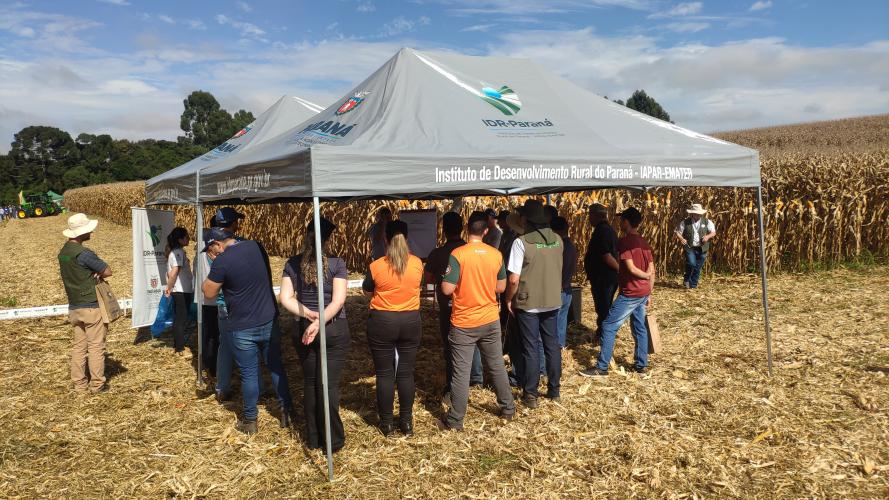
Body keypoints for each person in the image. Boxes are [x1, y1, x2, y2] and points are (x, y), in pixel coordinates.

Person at [202, 230, 293, 434]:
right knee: (275, 365)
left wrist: (214, 268)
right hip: (268, 318)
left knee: (248, 373)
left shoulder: (221, 262)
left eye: (210, 248)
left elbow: (208, 292)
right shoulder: (256, 246)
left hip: (242, 326)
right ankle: (286, 410)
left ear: (217, 243)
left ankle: (251, 420)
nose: (210, 253)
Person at [439, 211, 515, 430]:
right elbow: (501, 287)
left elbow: (446, 288)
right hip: (490, 319)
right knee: (497, 366)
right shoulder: (495, 254)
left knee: (461, 373)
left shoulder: (458, 254)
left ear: (467, 229)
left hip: (464, 322)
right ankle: (508, 408)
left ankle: (455, 419)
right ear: (486, 231)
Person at [279, 217, 350, 452]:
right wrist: (320, 321)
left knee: (310, 383)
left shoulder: (292, 263)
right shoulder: (337, 263)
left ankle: (313, 438)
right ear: (328, 239)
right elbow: (338, 300)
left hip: (303, 327)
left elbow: (285, 298)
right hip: (332, 328)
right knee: (327, 385)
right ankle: (333, 440)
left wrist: (308, 314)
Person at [363, 220, 423, 437]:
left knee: (385, 374)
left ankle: (387, 423)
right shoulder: (417, 264)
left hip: (382, 321)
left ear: (385, 239)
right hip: (410, 321)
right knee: (406, 373)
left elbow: (367, 289)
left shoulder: (377, 265)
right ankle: (406, 421)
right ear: (406, 239)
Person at [581, 207, 654, 377]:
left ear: (627, 222)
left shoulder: (625, 242)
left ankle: (602, 367)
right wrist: (649, 291)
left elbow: (630, 268)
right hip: (642, 292)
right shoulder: (644, 242)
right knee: (639, 327)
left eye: (622, 220)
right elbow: (652, 269)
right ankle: (641, 366)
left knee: (608, 326)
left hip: (631, 293)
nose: (620, 223)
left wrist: (643, 275)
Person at [504, 200, 563, 409]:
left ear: (526, 220)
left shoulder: (521, 243)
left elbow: (513, 279)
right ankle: (554, 390)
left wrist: (508, 298)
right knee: (552, 345)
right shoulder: (557, 239)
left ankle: (530, 394)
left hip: (529, 302)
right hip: (553, 300)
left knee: (530, 348)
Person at [424, 212, 483, 403]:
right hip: (472, 304)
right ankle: (476, 378)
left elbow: (429, 279)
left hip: (448, 306)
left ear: (443, 229)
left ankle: (453, 385)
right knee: (473, 342)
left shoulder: (437, 253)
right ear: (462, 228)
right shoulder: (471, 251)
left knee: (451, 346)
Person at [59, 213, 112, 393]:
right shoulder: (84, 254)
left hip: (74, 306)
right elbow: (107, 271)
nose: (92, 231)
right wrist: (96, 272)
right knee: (96, 346)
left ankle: (79, 384)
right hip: (91, 304)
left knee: (79, 346)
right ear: (82, 232)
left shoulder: (64, 253)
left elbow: (77, 271)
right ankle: (97, 385)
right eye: (89, 229)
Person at [583, 203, 620, 343]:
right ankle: (603, 333)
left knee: (603, 307)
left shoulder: (602, 231)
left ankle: (604, 336)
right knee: (604, 306)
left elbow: (606, 255)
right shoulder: (607, 230)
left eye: (589, 215)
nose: (588, 219)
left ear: (596, 215)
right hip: (605, 277)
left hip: (604, 278)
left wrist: (619, 270)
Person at [194, 229, 222, 377]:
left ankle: (208, 363)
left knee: (208, 333)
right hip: (213, 301)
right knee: (213, 335)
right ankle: (212, 366)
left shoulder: (200, 254)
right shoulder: (209, 256)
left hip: (205, 300)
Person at [164, 227, 194, 357]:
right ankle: (180, 348)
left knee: (179, 318)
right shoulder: (177, 253)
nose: (188, 239)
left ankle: (178, 346)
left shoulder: (177, 252)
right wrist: (169, 288)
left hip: (181, 289)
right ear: (180, 239)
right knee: (181, 319)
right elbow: (174, 272)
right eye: (186, 237)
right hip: (180, 290)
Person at [674, 203, 716, 289]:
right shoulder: (685, 222)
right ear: (692, 213)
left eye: (699, 214)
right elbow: (678, 232)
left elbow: (713, 232)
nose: (698, 215)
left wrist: (707, 236)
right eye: (696, 213)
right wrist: (682, 239)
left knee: (698, 267)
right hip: (690, 247)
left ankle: (693, 285)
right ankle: (686, 279)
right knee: (692, 263)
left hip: (702, 248)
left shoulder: (707, 222)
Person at [551, 216, 577, 349]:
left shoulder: (562, 247)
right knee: (561, 321)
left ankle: (555, 348)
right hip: (566, 290)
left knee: (555, 322)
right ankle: (560, 346)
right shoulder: (571, 246)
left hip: (559, 290)